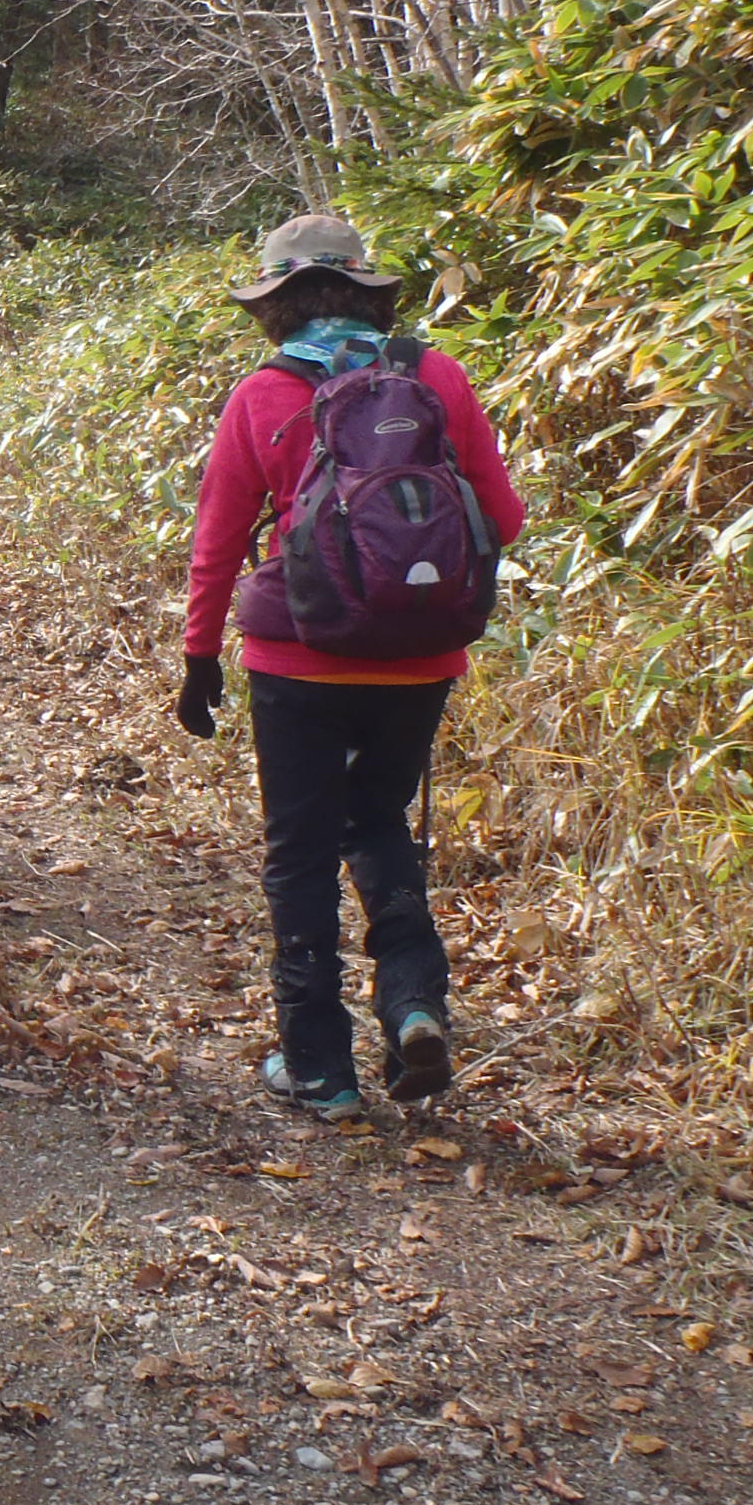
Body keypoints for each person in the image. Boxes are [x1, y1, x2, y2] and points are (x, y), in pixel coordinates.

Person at [170, 213, 525, 1125]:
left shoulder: (263, 394)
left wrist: (200, 657)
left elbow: (217, 542)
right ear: (367, 291)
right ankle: (413, 1004)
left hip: (297, 657)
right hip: (420, 657)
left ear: (275, 304)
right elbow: (505, 518)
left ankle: (320, 1068)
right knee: (378, 823)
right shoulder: (437, 377)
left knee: (300, 852)